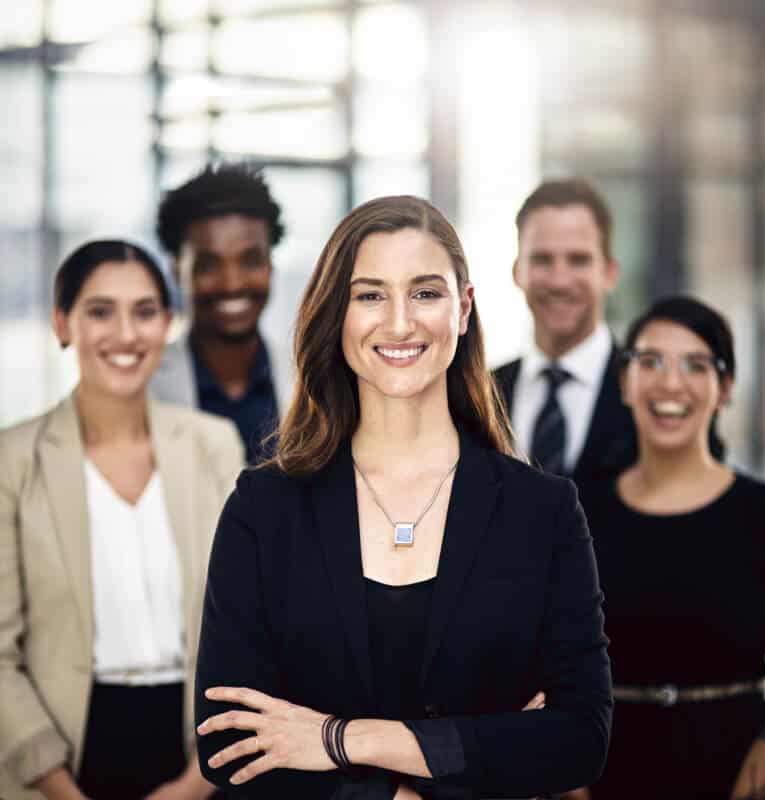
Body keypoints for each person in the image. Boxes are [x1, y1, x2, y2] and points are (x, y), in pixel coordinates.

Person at [193, 195, 612, 799]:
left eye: (425, 293)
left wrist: (339, 739)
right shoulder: (265, 508)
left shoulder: (541, 511)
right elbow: (228, 743)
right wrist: (437, 775)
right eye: (370, 295)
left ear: (463, 308)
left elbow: (578, 739)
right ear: (338, 314)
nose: (398, 323)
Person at [0, 240, 243, 800]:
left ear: (169, 323)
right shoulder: (14, 461)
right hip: (56, 760)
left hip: (198, 748)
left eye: (145, 311)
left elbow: (251, 629)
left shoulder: (214, 446)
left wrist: (194, 784)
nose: (127, 335)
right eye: (100, 311)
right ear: (63, 323)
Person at [577, 296, 765, 799]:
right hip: (605, 782)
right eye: (650, 361)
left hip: (741, 780)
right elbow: (544, 683)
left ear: (725, 389)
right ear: (625, 383)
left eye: (696, 365)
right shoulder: (573, 514)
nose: (670, 383)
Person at [493, 178, 637, 482]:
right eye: (543, 260)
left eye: (578, 260)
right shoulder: (478, 395)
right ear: (518, 271)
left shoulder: (649, 392)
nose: (560, 281)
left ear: (609, 273)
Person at [151, 163, 290, 463]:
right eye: (209, 265)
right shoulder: (145, 385)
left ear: (270, 265)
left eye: (251, 261)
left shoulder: (317, 379)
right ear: (177, 271)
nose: (233, 283)